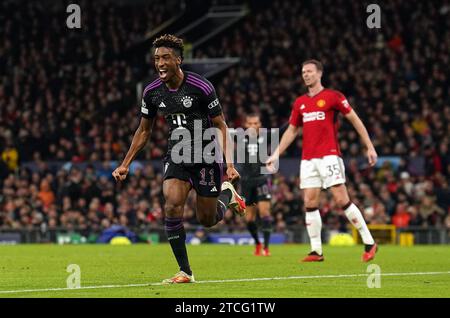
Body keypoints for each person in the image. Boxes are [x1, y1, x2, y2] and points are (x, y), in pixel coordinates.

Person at [112, 34, 246, 283]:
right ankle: (186, 271)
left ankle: (228, 194)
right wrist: (125, 163)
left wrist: (229, 164)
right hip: (178, 153)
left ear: (178, 60)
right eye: (156, 59)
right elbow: (144, 131)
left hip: (206, 156)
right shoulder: (152, 92)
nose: (160, 63)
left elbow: (221, 125)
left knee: (207, 220)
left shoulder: (202, 87)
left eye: (165, 58)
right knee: (172, 203)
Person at [267, 59, 378, 262]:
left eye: (309, 71)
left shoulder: (333, 97)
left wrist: (369, 146)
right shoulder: (300, 103)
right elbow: (292, 130)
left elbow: (354, 119)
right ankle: (316, 250)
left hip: (329, 156)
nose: (306, 75)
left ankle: (369, 242)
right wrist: (276, 153)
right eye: (303, 72)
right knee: (309, 201)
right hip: (308, 159)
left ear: (319, 74)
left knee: (341, 199)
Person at [238, 113, 273, 256]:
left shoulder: (267, 137)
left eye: (256, 123)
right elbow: (221, 131)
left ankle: (266, 247)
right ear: (245, 125)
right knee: (249, 219)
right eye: (250, 123)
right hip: (246, 182)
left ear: (260, 125)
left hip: (262, 179)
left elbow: (285, 130)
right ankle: (258, 244)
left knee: (265, 212)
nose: (253, 126)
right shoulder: (240, 137)